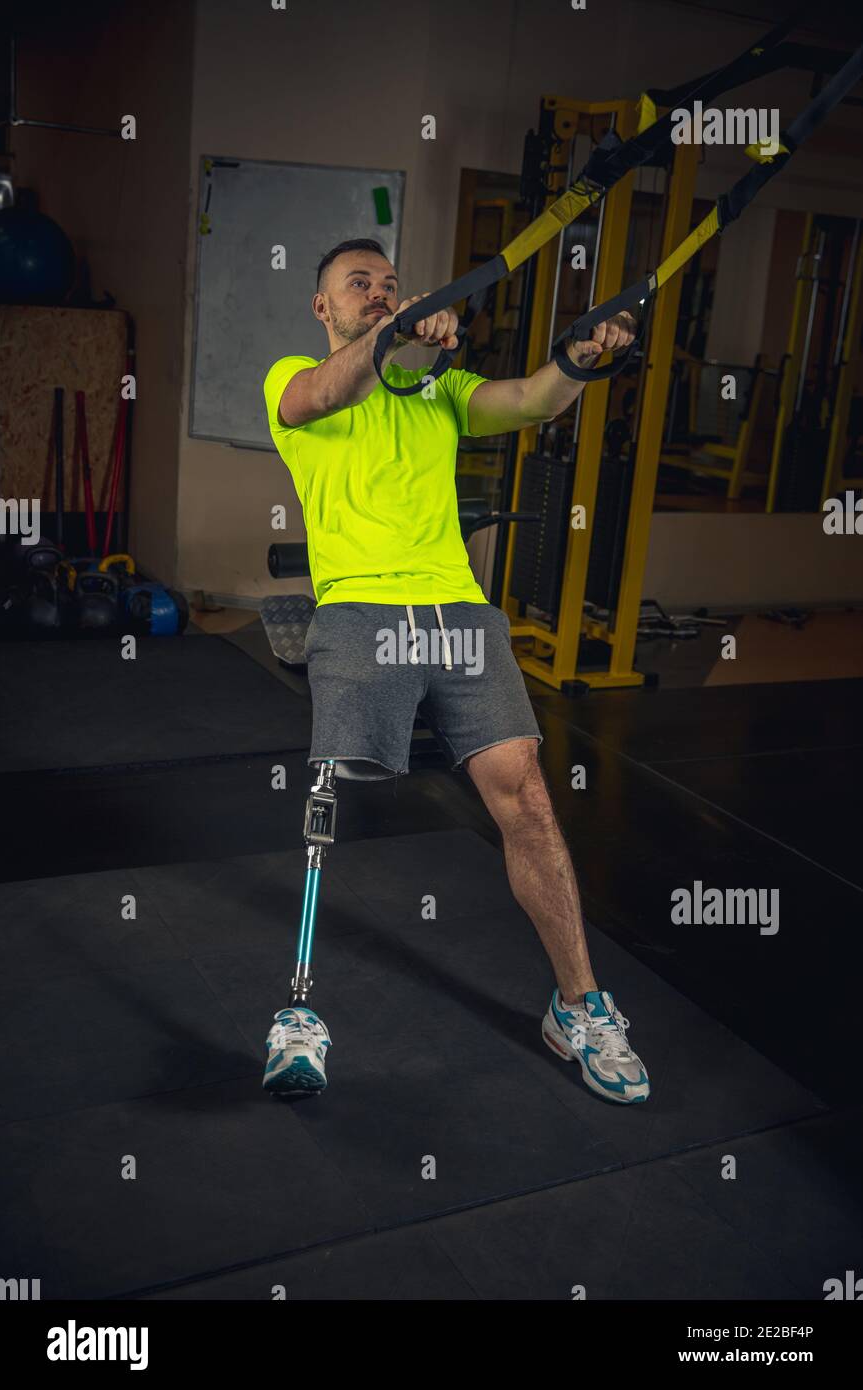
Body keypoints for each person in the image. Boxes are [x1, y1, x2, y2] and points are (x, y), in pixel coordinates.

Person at [261, 238, 648, 1105]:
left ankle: (580, 1008)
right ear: (323, 308)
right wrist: (397, 332)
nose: (377, 292)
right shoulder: (295, 376)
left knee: (527, 795)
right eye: (357, 285)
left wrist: (577, 360)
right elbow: (329, 389)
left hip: (459, 615)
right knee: (331, 796)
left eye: (390, 284)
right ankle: (298, 1018)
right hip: (361, 610)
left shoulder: (440, 390)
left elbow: (528, 401)